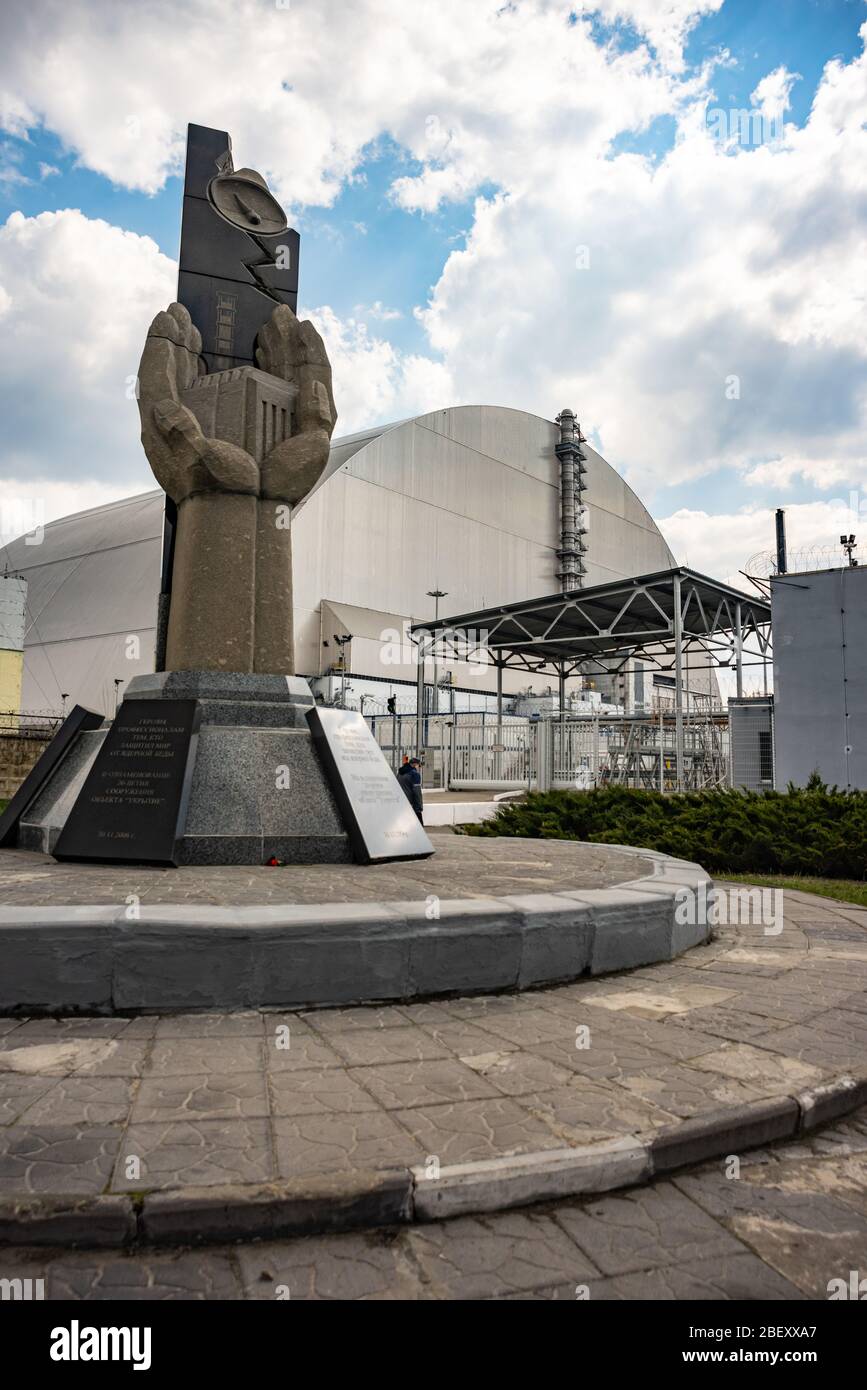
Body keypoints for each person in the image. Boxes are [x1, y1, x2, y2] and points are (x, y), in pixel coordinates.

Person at [397, 756, 424, 822]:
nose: (419, 768)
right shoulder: (415, 774)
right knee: (419, 826)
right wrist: (419, 806)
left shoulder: (399, 773)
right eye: (419, 766)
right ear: (415, 764)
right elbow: (417, 791)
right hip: (411, 803)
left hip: (401, 802)